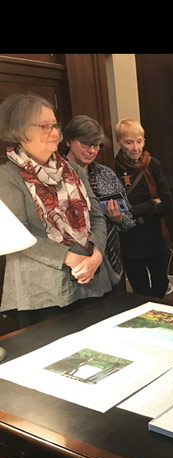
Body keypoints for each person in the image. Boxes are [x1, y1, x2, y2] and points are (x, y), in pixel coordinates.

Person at [0, 94, 116, 327]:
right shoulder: (8, 176)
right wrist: (70, 258)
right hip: (43, 291)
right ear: (20, 130)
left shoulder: (73, 169)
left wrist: (96, 254)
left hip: (92, 275)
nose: (56, 133)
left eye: (55, 125)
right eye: (45, 127)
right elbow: (19, 234)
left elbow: (96, 216)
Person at [61, 115, 135, 286]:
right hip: (73, 261)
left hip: (110, 256)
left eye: (96, 145)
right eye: (86, 144)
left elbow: (129, 219)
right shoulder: (55, 175)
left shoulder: (106, 174)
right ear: (68, 141)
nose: (92, 151)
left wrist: (118, 218)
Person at [114, 118, 173, 298]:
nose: (135, 147)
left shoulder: (152, 164)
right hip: (130, 240)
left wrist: (138, 217)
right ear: (120, 142)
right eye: (129, 142)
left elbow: (167, 201)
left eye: (139, 141)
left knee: (161, 286)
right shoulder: (113, 168)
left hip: (154, 236)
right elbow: (121, 209)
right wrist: (149, 204)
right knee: (140, 291)